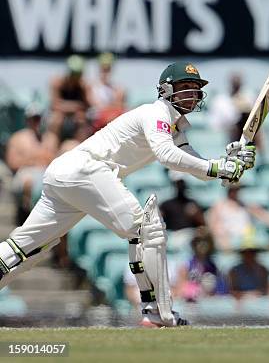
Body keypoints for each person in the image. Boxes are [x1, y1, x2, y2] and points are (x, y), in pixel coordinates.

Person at [0, 62, 256, 328]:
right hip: (87, 170)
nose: (191, 94)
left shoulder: (175, 126)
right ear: (166, 90)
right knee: (146, 230)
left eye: (195, 89)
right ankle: (156, 311)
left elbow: (191, 159)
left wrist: (226, 166)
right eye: (185, 88)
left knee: (25, 249)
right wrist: (218, 168)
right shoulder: (156, 113)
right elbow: (167, 155)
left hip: (65, 173)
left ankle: (154, 311)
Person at [5, 104, 58, 225]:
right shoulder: (17, 138)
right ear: (27, 120)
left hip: (46, 171)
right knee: (29, 183)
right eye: (33, 118)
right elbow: (12, 162)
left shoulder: (51, 138)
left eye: (38, 118)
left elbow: (54, 159)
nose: (36, 122)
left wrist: (34, 157)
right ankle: (29, 217)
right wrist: (34, 159)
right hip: (26, 172)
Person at [208, 185, 269, 252]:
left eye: (237, 189)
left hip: (247, 240)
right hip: (229, 240)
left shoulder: (246, 206)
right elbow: (213, 226)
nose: (235, 192)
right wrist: (222, 238)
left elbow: (265, 217)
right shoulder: (219, 207)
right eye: (233, 189)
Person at [174, 227, 228, 302]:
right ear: (194, 244)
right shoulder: (186, 266)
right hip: (192, 305)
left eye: (205, 241)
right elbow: (180, 290)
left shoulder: (214, 267)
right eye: (198, 241)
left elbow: (221, 290)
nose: (202, 244)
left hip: (210, 305)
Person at [47, 55, 93, 142]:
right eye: (73, 74)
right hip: (60, 114)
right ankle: (53, 147)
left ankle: (78, 147)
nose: (75, 77)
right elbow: (55, 105)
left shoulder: (83, 86)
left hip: (76, 115)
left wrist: (85, 90)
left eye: (78, 74)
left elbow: (87, 105)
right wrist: (76, 106)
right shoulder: (57, 83)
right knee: (56, 119)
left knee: (81, 119)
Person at [90, 52, 126, 131]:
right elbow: (96, 105)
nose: (105, 71)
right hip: (99, 120)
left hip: (110, 118)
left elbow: (119, 105)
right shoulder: (92, 86)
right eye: (103, 68)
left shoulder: (117, 88)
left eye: (107, 68)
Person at [228, 235, 269, 299]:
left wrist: (255, 294)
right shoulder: (234, 271)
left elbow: (266, 290)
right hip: (240, 301)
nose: (249, 255)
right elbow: (232, 291)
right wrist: (246, 295)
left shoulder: (263, 270)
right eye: (246, 253)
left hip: (259, 301)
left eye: (252, 252)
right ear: (242, 254)